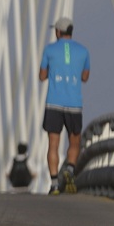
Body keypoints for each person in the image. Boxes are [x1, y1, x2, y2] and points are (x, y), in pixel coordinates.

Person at [39, 16, 90, 195]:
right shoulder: (83, 51)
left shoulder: (49, 50)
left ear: (58, 32)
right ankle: (69, 170)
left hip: (54, 102)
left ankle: (54, 184)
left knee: (53, 144)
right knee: (75, 141)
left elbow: (42, 75)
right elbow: (85, 77)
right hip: (74, 103)